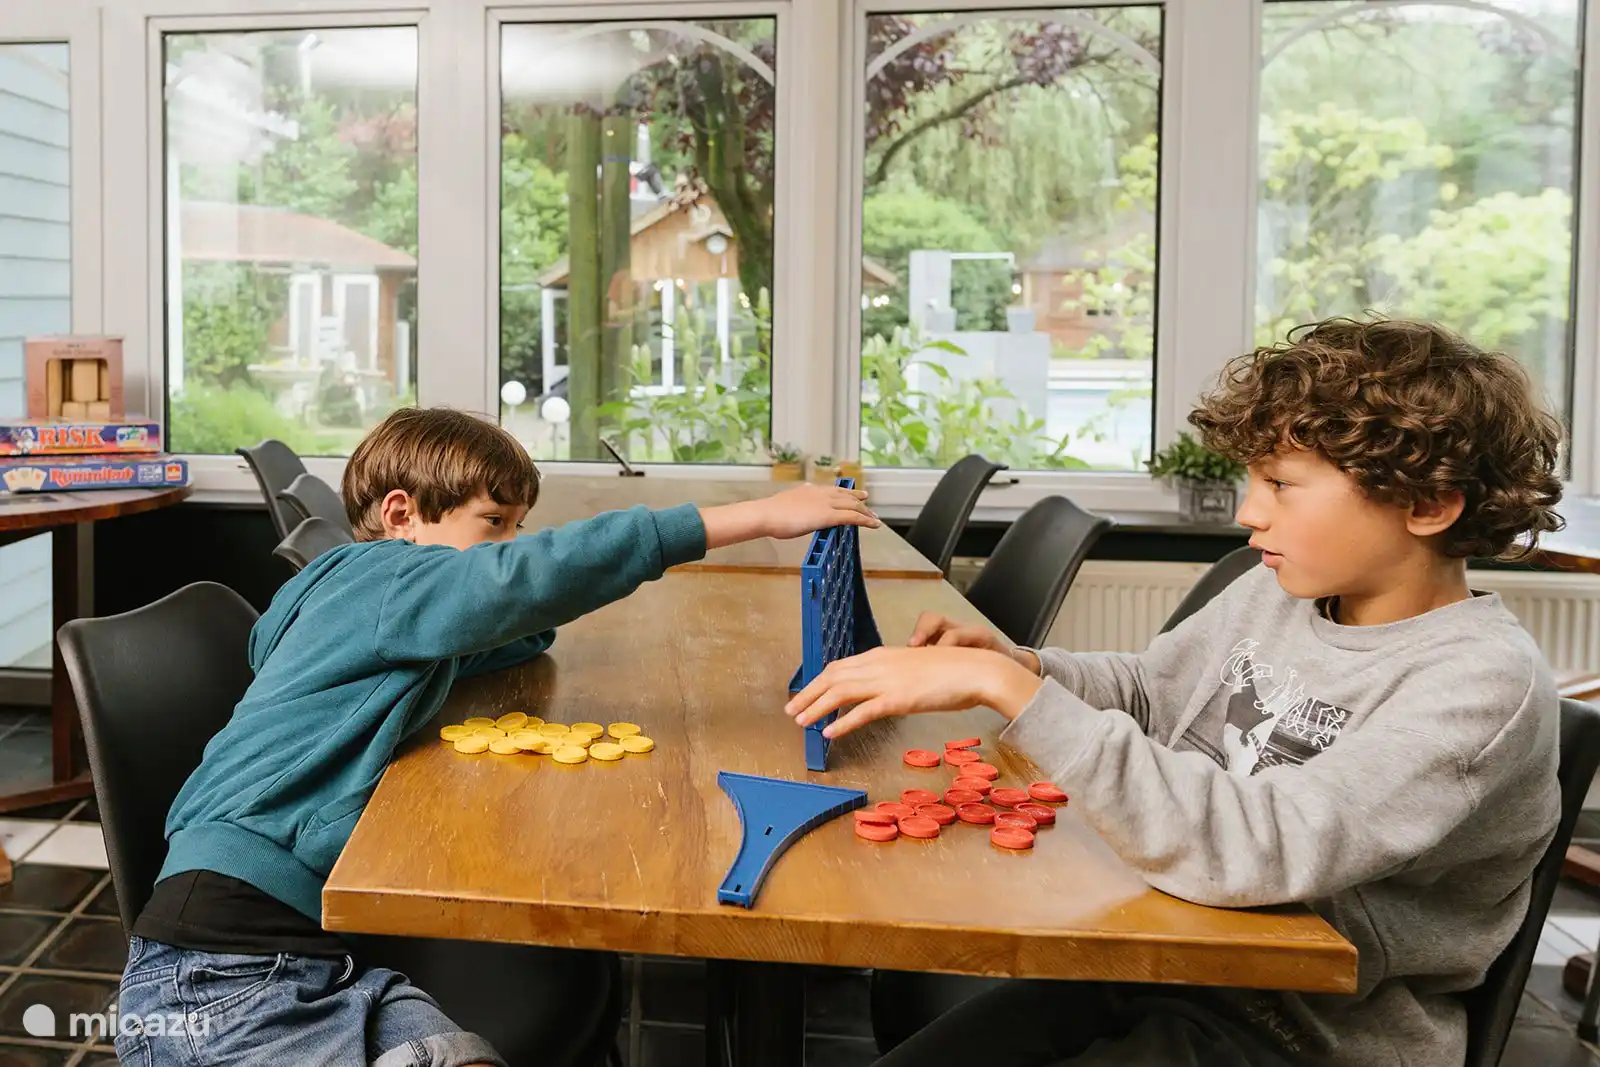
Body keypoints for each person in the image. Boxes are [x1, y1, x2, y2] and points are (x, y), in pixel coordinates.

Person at [787, 318, 1565, 1067]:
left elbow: (1262, 846)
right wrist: (1025, 665)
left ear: (1426, 504)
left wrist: (1010, 690)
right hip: (1153, 963)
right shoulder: (1282, 588)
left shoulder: (1478, 686)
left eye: (1281, 484)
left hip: (1296, 1034)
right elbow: (1153, 695)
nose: (1248, 511)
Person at [115, 406, 879, 1067]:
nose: (510, 545)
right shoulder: (383, 580)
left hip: (321, 958)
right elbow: (521, 581)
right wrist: (750, 516)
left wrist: (507, 597)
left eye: (517, 528)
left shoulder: (372, 606)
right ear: (401, 514)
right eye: (495, 525)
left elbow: (518, 618)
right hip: (220, 970)